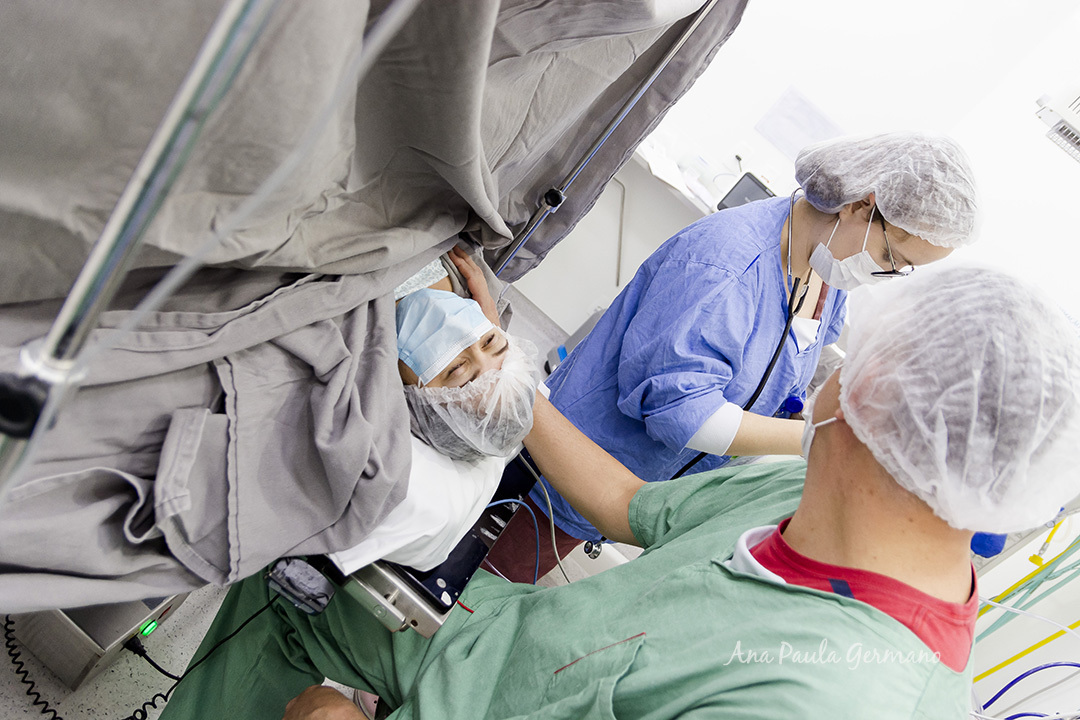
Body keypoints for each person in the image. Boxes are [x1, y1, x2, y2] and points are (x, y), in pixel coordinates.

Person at [158, 265, 1080, 720]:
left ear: (876, 396)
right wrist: (502, 376)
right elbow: (626, 504)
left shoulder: (814, 700)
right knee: (286, 588)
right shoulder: (808, 492)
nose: (832, 365)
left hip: (479, 694)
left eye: (860, 350)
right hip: (498, 646)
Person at [530, 131, 980, 550]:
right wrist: (817, 437)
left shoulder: (827, 275)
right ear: (861, 207)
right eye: (889, 257)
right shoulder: (727, 267)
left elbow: (791, 368)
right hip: (563, 470)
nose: (885, 275)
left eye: (903, 270)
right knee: (480, 584)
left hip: (626, 488)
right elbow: (681, 415)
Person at [396, 247, 540, 462]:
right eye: (490, 341)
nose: (467, 335)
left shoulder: (351, 330)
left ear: (420, 402)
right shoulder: (464, 273)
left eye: (457, 369)